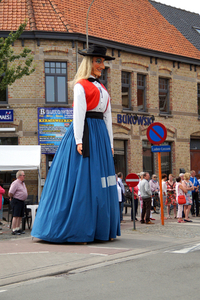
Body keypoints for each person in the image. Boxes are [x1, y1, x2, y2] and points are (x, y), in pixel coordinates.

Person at [31, 44, 120, 243]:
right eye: (98, 61)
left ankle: (102, 228)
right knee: (82, 181)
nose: (102, 65)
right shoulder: (81, 85)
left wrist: (110, 143)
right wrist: (79, 140)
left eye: (103, 61)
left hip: (100, 136)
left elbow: (108, 117)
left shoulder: (103, 88)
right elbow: (78, 114)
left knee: (103, 182)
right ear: (89, 62)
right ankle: (78, 228)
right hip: (86, 133)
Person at [8, 170, 28, 235]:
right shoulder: (15, 183)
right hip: (16, 200)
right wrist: (11, 198)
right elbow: (10, 192)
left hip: (21, 201)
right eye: (23, 175)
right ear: (20, 176)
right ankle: (14, 230)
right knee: (16, 215)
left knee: (20, 216)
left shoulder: (23, 183)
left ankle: (17, 228)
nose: (24, 176)